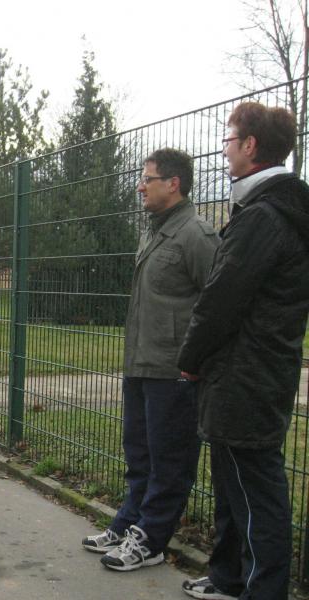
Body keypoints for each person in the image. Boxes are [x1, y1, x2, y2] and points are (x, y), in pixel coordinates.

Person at [178, 102, 309, 600]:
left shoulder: (263, 218)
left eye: (229, 140)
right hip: (251, 372)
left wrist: (190, 359)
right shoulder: (271, 210)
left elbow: (220, 300)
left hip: (245, 376)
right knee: (237, 486)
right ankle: (230, 578)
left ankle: (262, 590)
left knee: (256, 495)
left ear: (250, 146)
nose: (224, 151)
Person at [81, 148, 220, 571]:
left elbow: (217, 303)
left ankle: (152, 540)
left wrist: (195, 359)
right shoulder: (153, 232)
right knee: (139, 454)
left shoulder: (197, 236)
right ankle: (130, 522)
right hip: (140, 364)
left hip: (174, 371)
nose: (141, 187)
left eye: (148, 179)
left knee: (169, 460)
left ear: (173, 184)